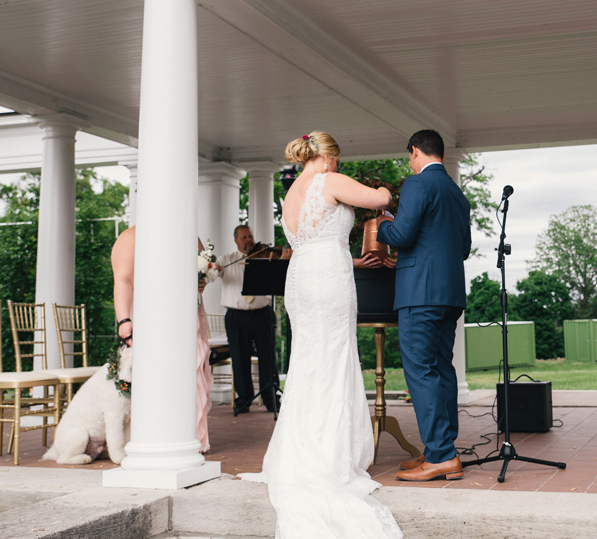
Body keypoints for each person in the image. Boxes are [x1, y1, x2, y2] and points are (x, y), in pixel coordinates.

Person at [241, 131, 401, 539]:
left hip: (303, 278)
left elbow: (314, 241)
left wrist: (352, 256)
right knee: (332, 359)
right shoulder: (327, 180)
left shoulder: (292, 191)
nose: (340, 168)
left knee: (311, 361)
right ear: (328, 158)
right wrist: (385, 186)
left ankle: (303, 451)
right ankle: (328, 458)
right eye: (339, 160)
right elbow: (379, 200)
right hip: (327, 280)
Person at [376, 129, 472, 482]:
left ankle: (442, 455)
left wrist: (383, 223)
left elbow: (401, 236)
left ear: (415, 152)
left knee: (420, 371)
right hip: (450, 295)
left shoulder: (417, 184)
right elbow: (463, 249)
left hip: (420, 293)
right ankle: (440, 449)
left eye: (410, 155)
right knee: (441, 368)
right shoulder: (458, 194)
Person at [110, 226, 213, 453]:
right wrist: (124, 321)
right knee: (157, 374)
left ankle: (191, 435)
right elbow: (123, 280)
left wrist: (200, 280)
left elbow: (201, 268)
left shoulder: (188, 233)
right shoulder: (130, 237)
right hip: (151, 315)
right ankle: (154, 435)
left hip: (187, 315)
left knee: (191, 370)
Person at [215, 226, 279, 413]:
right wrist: (214, 268)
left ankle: (271, 398)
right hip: (236, 316)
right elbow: (214, 269)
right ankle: (244, 399)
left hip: (262, 314)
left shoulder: (264, 257)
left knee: (268, 358)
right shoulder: (226, 260)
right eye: (244, 237)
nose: (248, 240)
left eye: (250, 236)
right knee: (239, 357)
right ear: (236, 240)